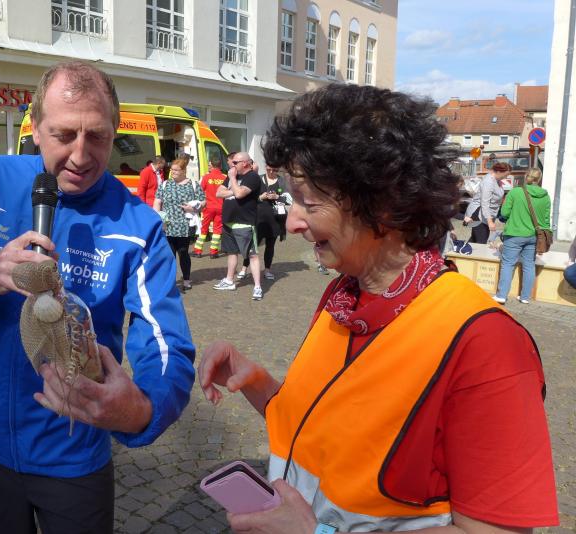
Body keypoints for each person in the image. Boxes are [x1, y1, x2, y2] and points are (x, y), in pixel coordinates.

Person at [199, 84, 558, 533]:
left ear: (382, 204)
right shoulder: (342, 298)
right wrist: (257, 383)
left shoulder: (485, 342)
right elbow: (325, 436)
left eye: (310, 202)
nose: (292, 223)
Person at [0, 60, 196, 533]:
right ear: (35, 129)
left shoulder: (138, 226)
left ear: (115, 132)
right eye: (63, 135)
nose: (80, 155)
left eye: (97, 136)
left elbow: (168, 345)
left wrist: (143, 409)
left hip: (73, 457)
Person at [493, 168, 551, 304]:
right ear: (539, 179)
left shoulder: (515, 192)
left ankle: (502, 295)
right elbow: (546, 220)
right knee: (529, 265)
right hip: (534, 236)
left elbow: (504, 213)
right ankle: (525, 297)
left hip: (514, 234)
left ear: (526, 177)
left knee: (508, 264)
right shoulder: (545, 196)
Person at [212, 152, 264, 301]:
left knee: (252, 255)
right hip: (228, 221)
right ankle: (229, 280)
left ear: (245, 163)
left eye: (235, 162)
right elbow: (218, 193)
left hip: (244, 222)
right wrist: (233, 189)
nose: (232, 165)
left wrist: (233, 181)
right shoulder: (231, 175)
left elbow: (240, 194)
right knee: (231, 252)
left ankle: (257, 286)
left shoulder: (252, 177)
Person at [153, 156, 206, 291]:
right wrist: (156, 218)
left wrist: (193, 208)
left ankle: (186, 279)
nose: (173, 172)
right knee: (169, 254)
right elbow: (157, 201)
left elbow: (203, 202)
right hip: (167, 225)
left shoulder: (193, 184)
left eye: (176, 170)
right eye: (172, 170)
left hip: (185, 225)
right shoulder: (165, 184)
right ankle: (169, 281)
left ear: (183, 171)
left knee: (183, 252)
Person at [241, 165, 290, 280]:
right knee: (252, 246)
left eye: (274, 169)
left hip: (275, 219)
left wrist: (277, 196)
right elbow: (249, 198)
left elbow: (289, 200)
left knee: (270, 246)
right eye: (269, 169)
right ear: (265, 167)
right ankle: (244, 268)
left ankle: (267, 270)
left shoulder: (281, 181)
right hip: (258, 219)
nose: (271, 172)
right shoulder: (258, 179)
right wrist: (261, 197)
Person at [463, 162, 511, 244]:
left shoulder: (497, 180)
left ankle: (461, 250)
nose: (506, 177)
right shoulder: (488, 182)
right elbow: (485, 203)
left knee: (475, 241)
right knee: (480, 242)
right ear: (499, 171)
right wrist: (490, 222)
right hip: (479, 214)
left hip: (486, 215)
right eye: (505, 175)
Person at [192, 157, 225, 258]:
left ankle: (198, 251)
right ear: (220, 166)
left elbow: (200, 191)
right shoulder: (225, 177)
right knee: (217, 229)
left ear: (212, 165)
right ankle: (213, 252)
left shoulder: (206, 177)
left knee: (204, 228)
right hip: (221, 207)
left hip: (208, 207)